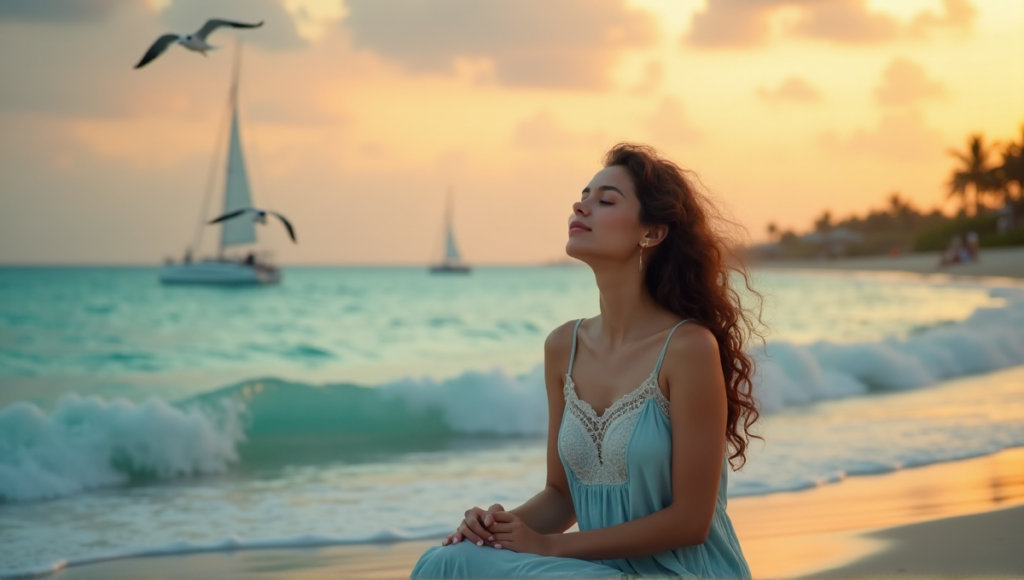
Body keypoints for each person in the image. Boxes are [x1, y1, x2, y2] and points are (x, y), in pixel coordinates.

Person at [410, 143, 762, 579]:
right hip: (593, 571)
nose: (581, 205)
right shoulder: (563, 346)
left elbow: (691, 522)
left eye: (606, 200)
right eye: (584, 195)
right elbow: (562, 496)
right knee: (450, 561)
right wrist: (495, 530)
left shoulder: (688, 348)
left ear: (651, 233)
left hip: (683, 573)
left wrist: (549, 548)